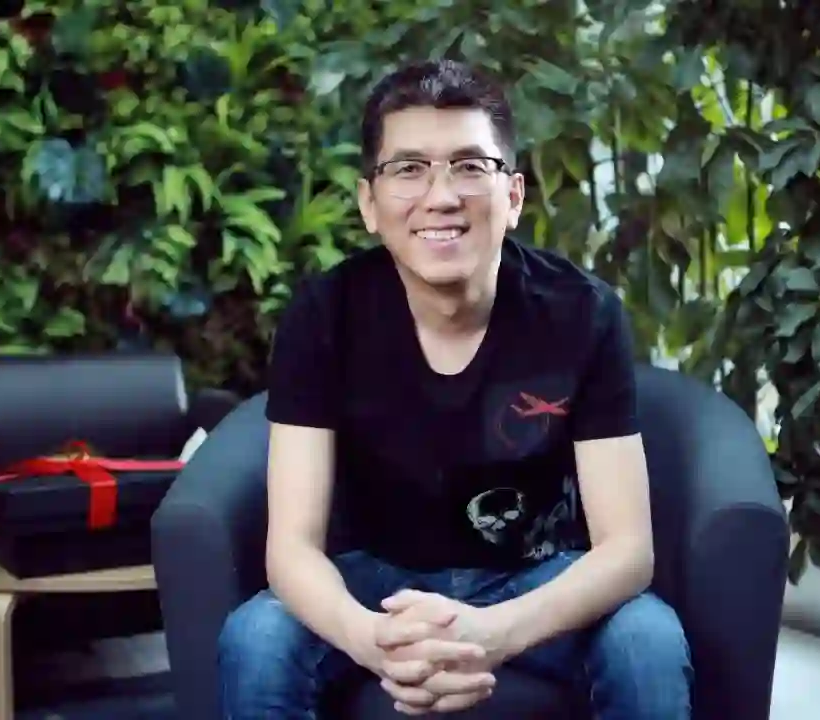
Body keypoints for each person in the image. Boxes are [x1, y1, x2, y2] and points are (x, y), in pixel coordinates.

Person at [218, 59, 692, 719]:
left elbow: (627, 550)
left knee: (647, 640)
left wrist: (494, 633)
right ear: (369, 203)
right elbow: (292, 547)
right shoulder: (324, 314)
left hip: (532, 576)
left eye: (470, 166)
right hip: (374, 580)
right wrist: (372, 641)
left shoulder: (583, 312)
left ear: (514, 196)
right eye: (409, 169)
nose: (441, 196)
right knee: (257, 636)